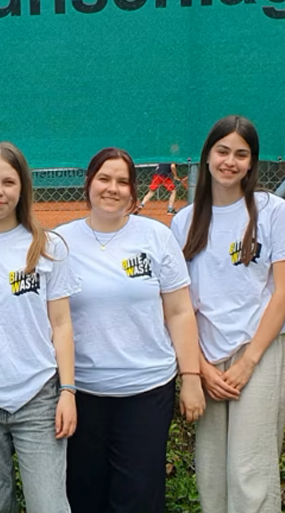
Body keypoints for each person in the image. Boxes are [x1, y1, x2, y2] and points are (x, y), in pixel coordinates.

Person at [55, 148, 206, 512]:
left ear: (133, 191)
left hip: (147, 391)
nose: (113, 188)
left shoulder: (156, 236)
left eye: (122, 181)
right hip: (82, 391)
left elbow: (179, 311)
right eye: (104, 179)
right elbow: (52, 319)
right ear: (88, 183)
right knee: (84, 494)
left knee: (139, 496)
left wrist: (191, 377)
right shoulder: (60, 242)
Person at [169, 115, 285, 513]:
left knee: (249, 471)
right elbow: (178, 304)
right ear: (207, 156)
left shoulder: (273, 211)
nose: (230, 162)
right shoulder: (184, 221)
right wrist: (198, 368)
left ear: (252, 162)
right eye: (222, 151)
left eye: (241, 155)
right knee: (212, 471)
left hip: (258, 352)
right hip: (206, 358)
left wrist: (248, 362)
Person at [0, 141, 79, 513]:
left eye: (8, 182)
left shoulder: (48, 246)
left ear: (22, 187)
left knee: (49, 505)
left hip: (39, 396)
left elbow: (61, 324)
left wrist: (67, 391)